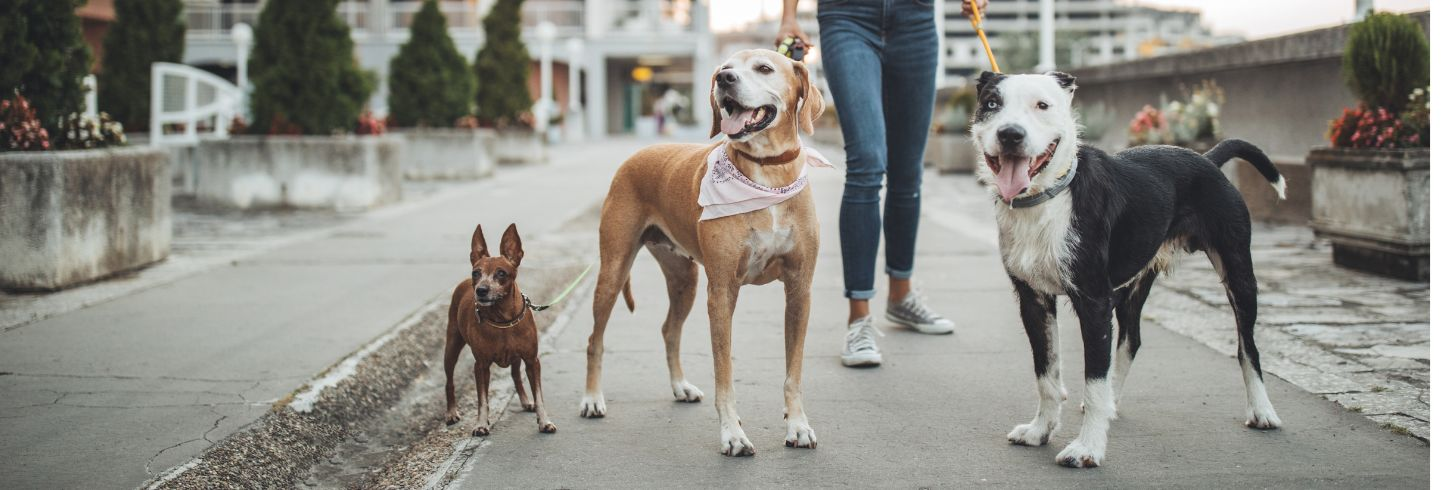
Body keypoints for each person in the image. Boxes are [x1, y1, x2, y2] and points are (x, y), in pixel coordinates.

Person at [777, 0, 987, 367]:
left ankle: (901, 297)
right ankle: (859, 318)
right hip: (847, 16)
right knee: (867, 163)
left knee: (908, 171)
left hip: (916, 18)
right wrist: (789, 16)